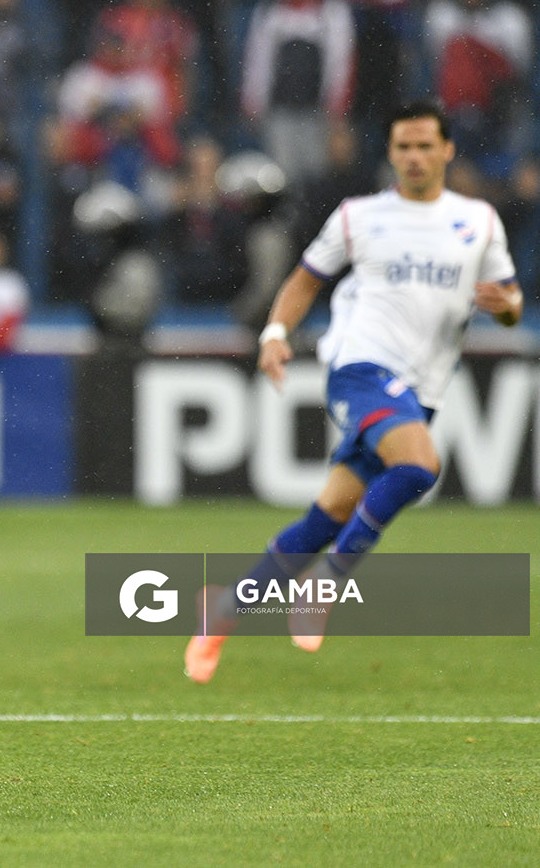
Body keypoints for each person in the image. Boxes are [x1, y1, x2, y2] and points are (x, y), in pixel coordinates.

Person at [185, 100, 522, 684]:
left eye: (424, 146)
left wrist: (509, 307)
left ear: (447, 151)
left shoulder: (479, 222)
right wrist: (274, 333)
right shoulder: (358, 216)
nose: (414, 157)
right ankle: (326, 585)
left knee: (328, 515)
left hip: (422, 388)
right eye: (403, 147)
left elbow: (512, 301)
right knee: (418, 467)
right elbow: (304, 279)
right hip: (360, 366)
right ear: (390, 153)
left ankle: (222, 614)